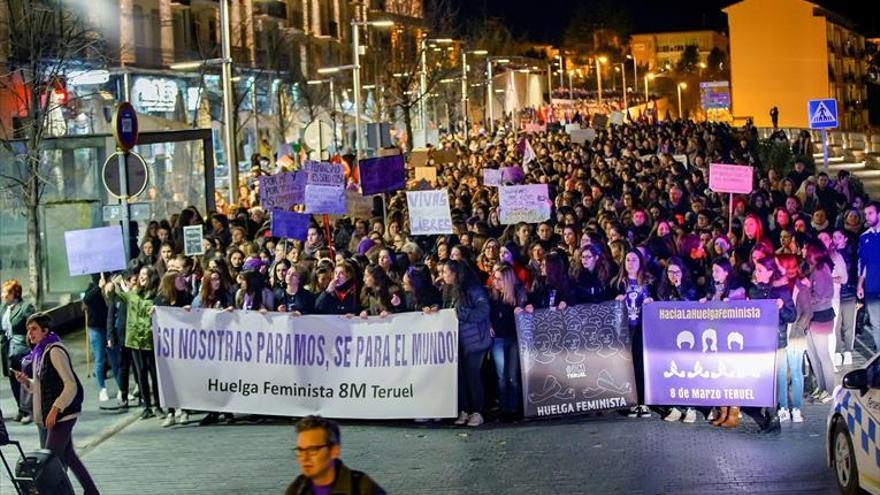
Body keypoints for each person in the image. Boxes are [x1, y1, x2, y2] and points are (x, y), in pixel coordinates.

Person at [13, 313, 98, 495]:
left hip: (63, 414)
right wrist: (26, 381)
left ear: (45, 330)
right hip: (52, 414)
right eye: (28, 330)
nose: (30, 333)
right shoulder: (39, 353)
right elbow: (42, 386)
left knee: (48, 462)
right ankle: (91, 491)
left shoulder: (55, 351)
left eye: (34, 329)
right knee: (70, 458)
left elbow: (70, 384)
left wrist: (55, 409)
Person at [440, 259, 491, 427]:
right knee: (461, 377)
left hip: (474, 339)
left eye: (446, 272)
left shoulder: (473, 290)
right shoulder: (449, 291)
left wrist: (465, 314)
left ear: (455, 274)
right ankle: (465, 409)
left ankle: (478, 411)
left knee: (473, 376)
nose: (443, 276)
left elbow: (484, 310)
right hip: (457, 341)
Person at [107, 266, 162, 419]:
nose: (141, 277)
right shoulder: (133, 293)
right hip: (135, 341)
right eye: (141, 275)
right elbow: (115, 295)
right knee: (141, 373)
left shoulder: (156, 294)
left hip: (150, 340)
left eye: (145, 275)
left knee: (154, 373)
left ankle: (158, 405)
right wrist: (111, 285)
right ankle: (147, 407)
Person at [748, 256, 796, 431]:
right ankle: (766, 409)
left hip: (776, 341)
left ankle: (773, 414)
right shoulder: (753, 292)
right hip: (758, 341)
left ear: (770, 272)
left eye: (760, 270)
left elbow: (792, 316)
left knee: (773, 378)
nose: (756, 273)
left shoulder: (781, 291)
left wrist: (782, 307)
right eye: (756, 269)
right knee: (762, 377)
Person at [285, 415, 385, 495]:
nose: (304, 458)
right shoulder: (296, 489)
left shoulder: (362, 488)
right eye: (300, 450)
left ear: (334, 451)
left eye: (312, 450)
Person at [612, 249, 654, 418]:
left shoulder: (649, 282)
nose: (630, 263)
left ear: (640, 262)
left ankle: (643, 402)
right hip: (624, 330)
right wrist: (615, 301)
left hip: (642, 330)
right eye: (628, 260)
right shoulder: (616, 283)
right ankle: (630, 401)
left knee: (641, 365)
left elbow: (659, 300)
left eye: (634, 260)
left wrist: (652, 301)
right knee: (626, 366)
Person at [490, 263, 527, 421]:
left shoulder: (518, 295)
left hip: (513, 338)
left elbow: (527, 311)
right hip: (498, 338)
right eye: (495, 279)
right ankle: (504, 409)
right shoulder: (493, 296)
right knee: (501, 376)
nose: (495, 283)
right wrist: (488, 325)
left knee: (512, 375)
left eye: (499, 279)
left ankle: (515, 408)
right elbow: (488, 313)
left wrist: (523, 310)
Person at [802, 238, 836, 403]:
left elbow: (822, 295)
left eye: (805, 248)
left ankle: (830, 389)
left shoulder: (822, 269)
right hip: (811, 316)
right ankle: (821, 387)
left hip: (821, 316)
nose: (802, 251)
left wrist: (805, 297)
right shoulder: (812, 269)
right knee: (813, 355)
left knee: (823, 355)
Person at [2, 279, 35, 423]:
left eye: (5, 293)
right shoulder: (4, 309)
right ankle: (21, 409)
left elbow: (33, 326)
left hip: (22, 348)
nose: (3, 295)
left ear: (14, 294)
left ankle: (30, 410)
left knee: (24, 379)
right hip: (8, 349)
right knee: (13, 379)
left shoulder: (25, 307)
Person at [859, 202, 880, 352]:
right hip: (872, 286)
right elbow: (862, 262)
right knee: (876, 323)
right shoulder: (864, 237)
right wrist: (860, 283)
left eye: (870, 213)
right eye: (865, 214)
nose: (867, 217)